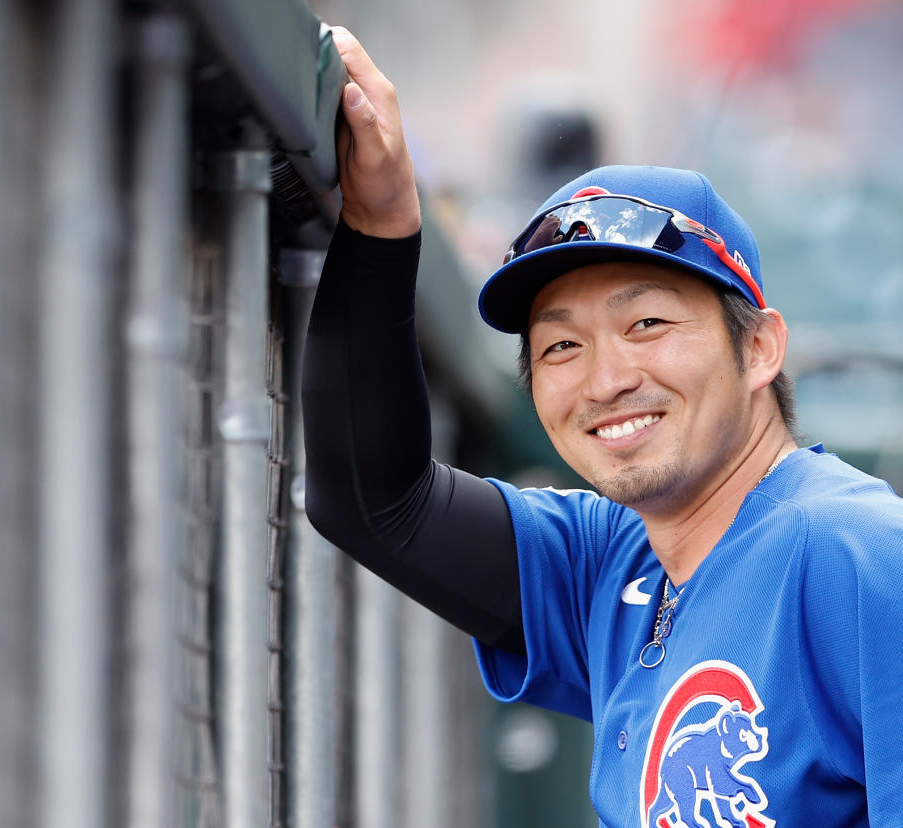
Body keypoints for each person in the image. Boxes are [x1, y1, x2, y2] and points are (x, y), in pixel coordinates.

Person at [302, 26, 903, 828]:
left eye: (648, 323)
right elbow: (376, 503)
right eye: (560, 345)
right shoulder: (611, 559)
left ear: (759, 348)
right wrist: (383, 224)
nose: (606, 379)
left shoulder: (859, 554)